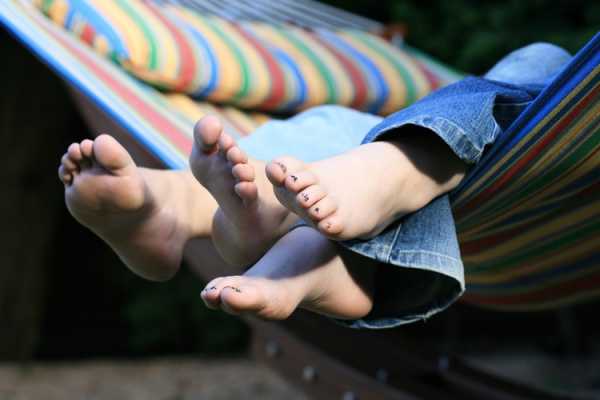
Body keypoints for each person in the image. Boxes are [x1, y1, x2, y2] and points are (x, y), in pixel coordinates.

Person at [58, 43, 572, 327]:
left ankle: (396, 169)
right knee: (329, 131)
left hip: (535, 174)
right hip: (374, 156)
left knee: (542, 62)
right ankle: (184, 205)